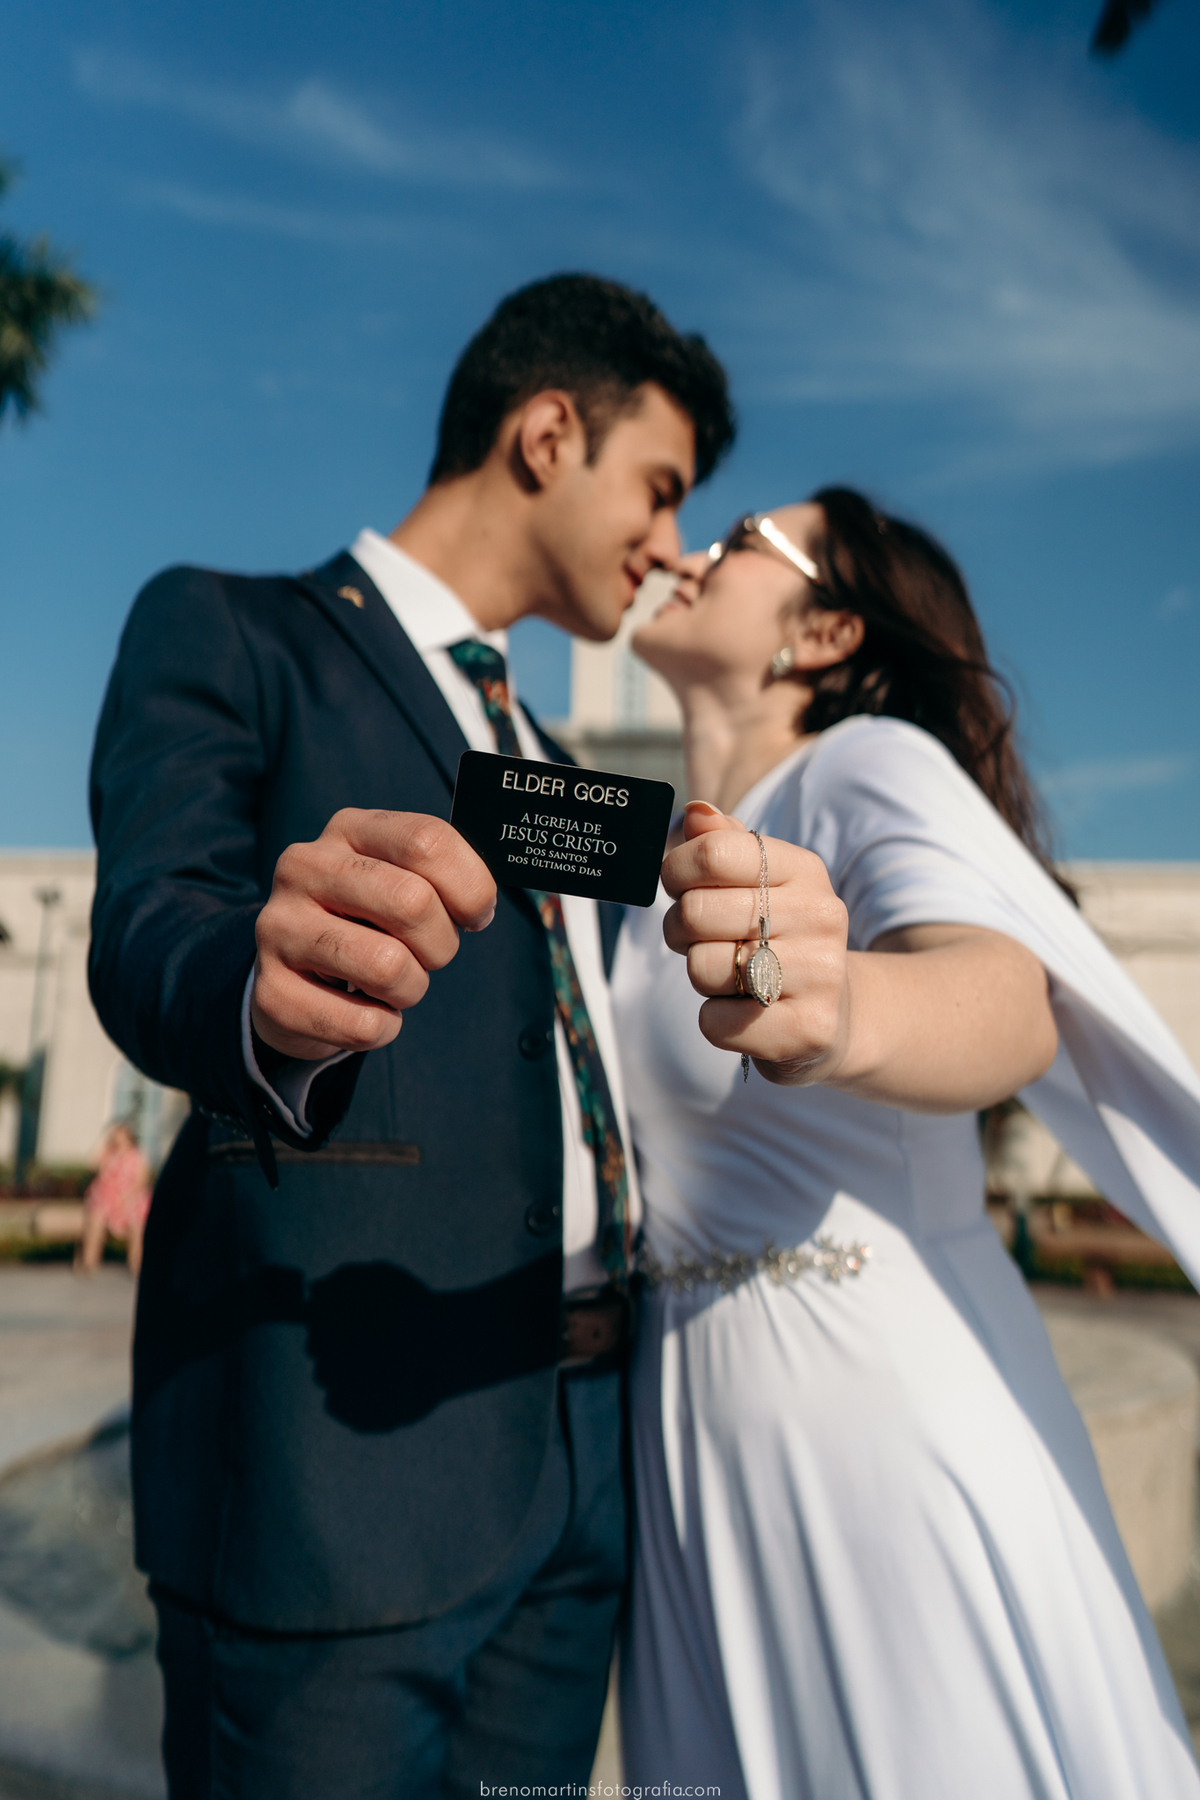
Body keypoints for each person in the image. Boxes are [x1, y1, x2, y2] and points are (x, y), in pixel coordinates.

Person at [87, 273, 734, 1799]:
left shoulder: (552, 760)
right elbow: (152, 922)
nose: (669, 544)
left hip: (579, 1473)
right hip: (333, 1484)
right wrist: (264, 992)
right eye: (660, 488)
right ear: (546, 431)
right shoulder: (233, 628)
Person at [613, 489, 1200, 1798]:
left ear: (824, 632)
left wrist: (842, 1009)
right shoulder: (664, 848)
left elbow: (1006, 1001)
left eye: (741, 540)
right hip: (691, 1443)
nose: (693, 550)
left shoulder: (863, 766)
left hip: (868, 1432)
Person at [76, 1120, 152, 1276]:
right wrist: (102, 1141)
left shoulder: (137, 1156)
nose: (118, 1139)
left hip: (130, 1198)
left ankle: (136, 1264)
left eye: (121, 1135)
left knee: (136, 1225)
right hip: (105, 1198)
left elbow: (141, 1182)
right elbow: (91, 1164)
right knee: (96, 1220)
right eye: (115, 1135)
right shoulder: (108, 1153)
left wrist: (125, 1199)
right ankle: (89, 1262)